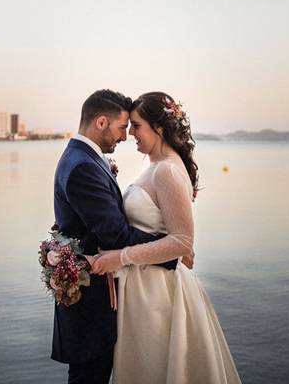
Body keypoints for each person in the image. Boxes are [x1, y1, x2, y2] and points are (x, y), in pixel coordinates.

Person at [89, 92, 241, 384]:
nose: (130, 133)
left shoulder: (167, 171)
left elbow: (183, 242)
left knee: (156, 366)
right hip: (144, 286)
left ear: (158, 128)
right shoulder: (156, 166)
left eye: (136, 125)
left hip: (159, 291)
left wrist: (119, 258)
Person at [51, 90, 170, 384]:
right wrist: (170, 249)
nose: (125, 136)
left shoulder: (85, 158)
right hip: (90, 306)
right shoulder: (82, 167)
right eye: (121, 127)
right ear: (101, 122)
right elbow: (115, 235)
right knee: (89, 377)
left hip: (97, 299)